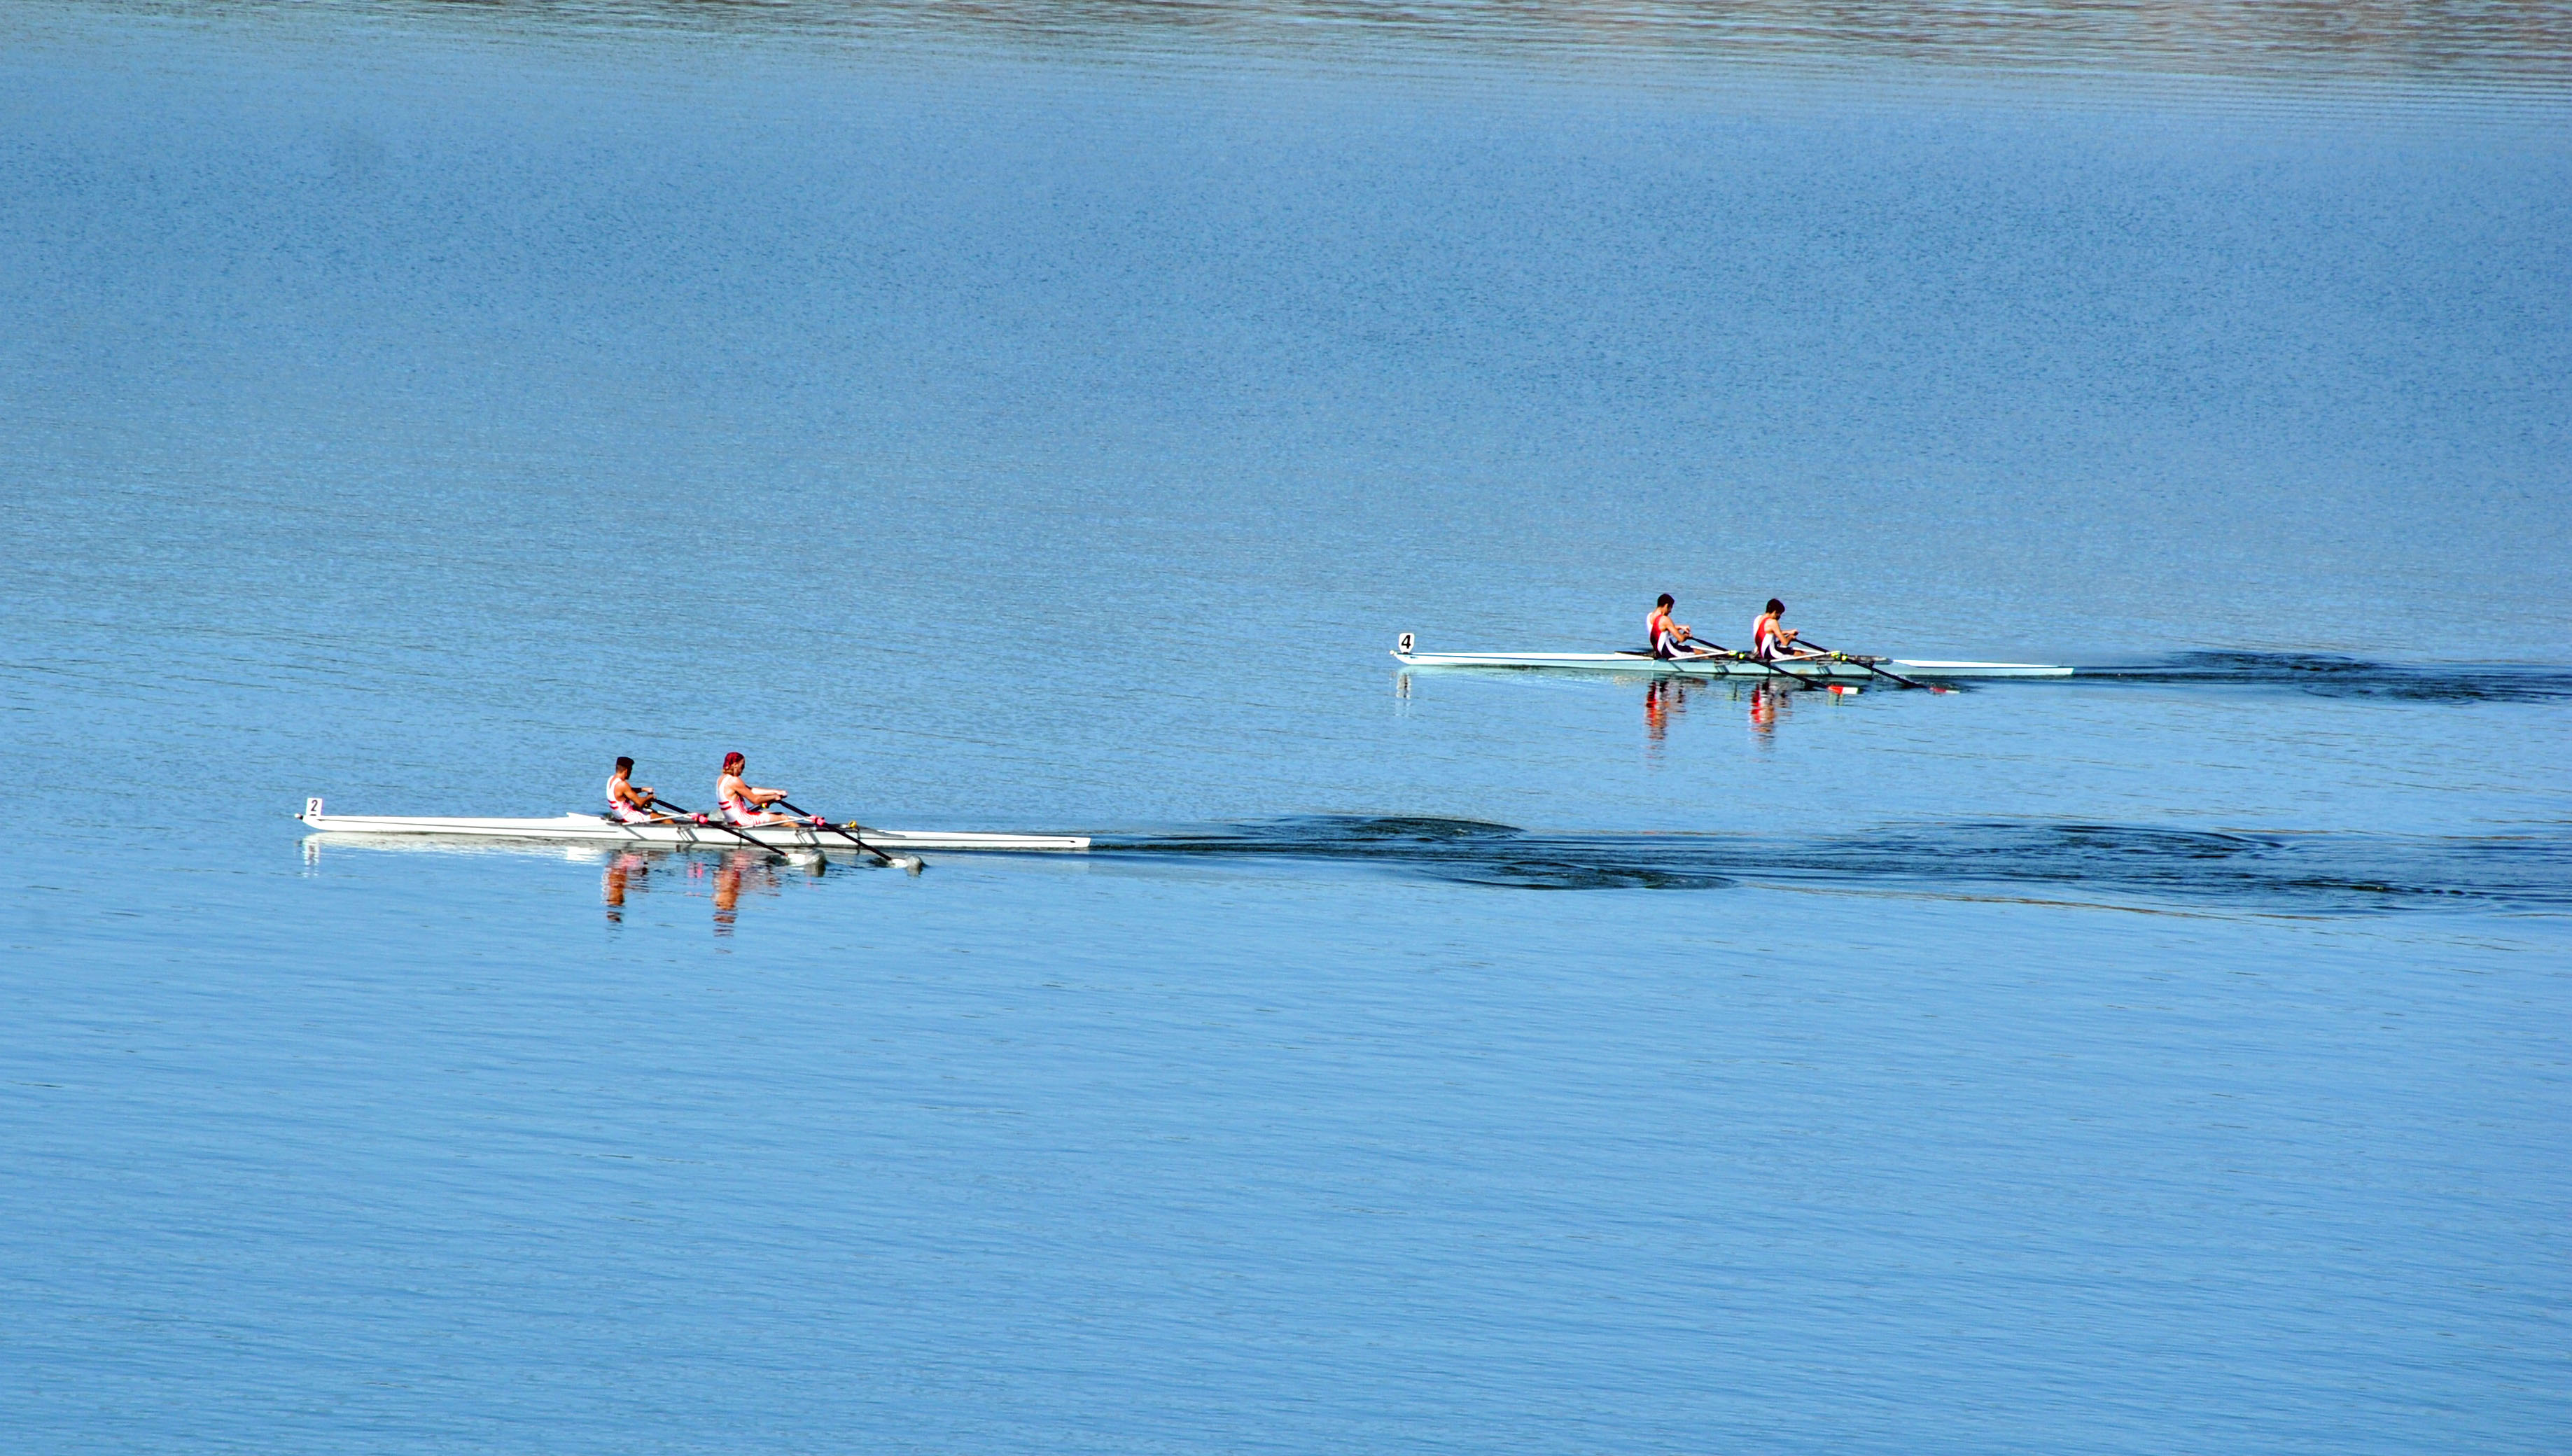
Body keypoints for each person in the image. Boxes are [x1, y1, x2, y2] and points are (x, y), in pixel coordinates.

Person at [716, 752, 795, 827]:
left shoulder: (722, 779)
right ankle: (804, 839)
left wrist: (776, 792)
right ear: (735, 765)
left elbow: (751, 791)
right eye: (742, 766)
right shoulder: (735, 780)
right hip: (743, 820)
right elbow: (755, 800)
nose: (743, 769)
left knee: (771, 814)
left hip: (733, 820)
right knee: (783, 818)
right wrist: (774, 797)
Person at [1751, 598, 1822, 662]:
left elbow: (1770, 633)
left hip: (1761, 652)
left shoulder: (1759, 619)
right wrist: (1790, 637)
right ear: (1775, 612)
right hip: (1771, 655)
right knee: (1801, 654)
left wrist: (1789, 632)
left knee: (1796, 652)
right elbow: (1785, 643)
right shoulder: (1773, 622)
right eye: (1779, 614)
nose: (1779, 617)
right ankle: (1812, 668)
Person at [606, 757, 669, 823]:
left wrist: (643, 789)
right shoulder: (623, 784)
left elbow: (626, 791)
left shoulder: (611, 779)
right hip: (627, 816)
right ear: (627, 771)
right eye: (631, 770)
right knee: (663, 818)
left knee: (652, 812)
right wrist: (649, 797)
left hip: (619, 814)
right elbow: (639, 803)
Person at [1647, 594, 1700, 659]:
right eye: (1670, 607)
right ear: (1666, 606)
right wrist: (1687, 636)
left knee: (1693, 650)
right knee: (1700, 653)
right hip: (1669, 652)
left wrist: (1680, 627)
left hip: (1659, 651)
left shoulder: (1650, 616)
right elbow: (1681, 639)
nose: (1670, 611)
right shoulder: (1665, 619)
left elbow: (1661, 629)